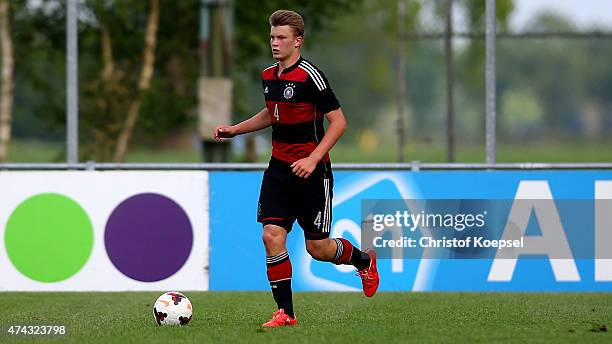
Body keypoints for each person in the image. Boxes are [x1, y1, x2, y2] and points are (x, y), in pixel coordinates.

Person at [214, 9, 379, 328]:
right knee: (271, 235)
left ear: (297, 41)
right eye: (272, 37)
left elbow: (339, 122)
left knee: (317, 248)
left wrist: (314, 158)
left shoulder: (310, 76)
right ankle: (285, 313)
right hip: (278, 170)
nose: (274, 43)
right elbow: (271, 113)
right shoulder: (268, 76)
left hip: (312, 173)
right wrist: (236, 129)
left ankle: (363, 260)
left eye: (281, 38)